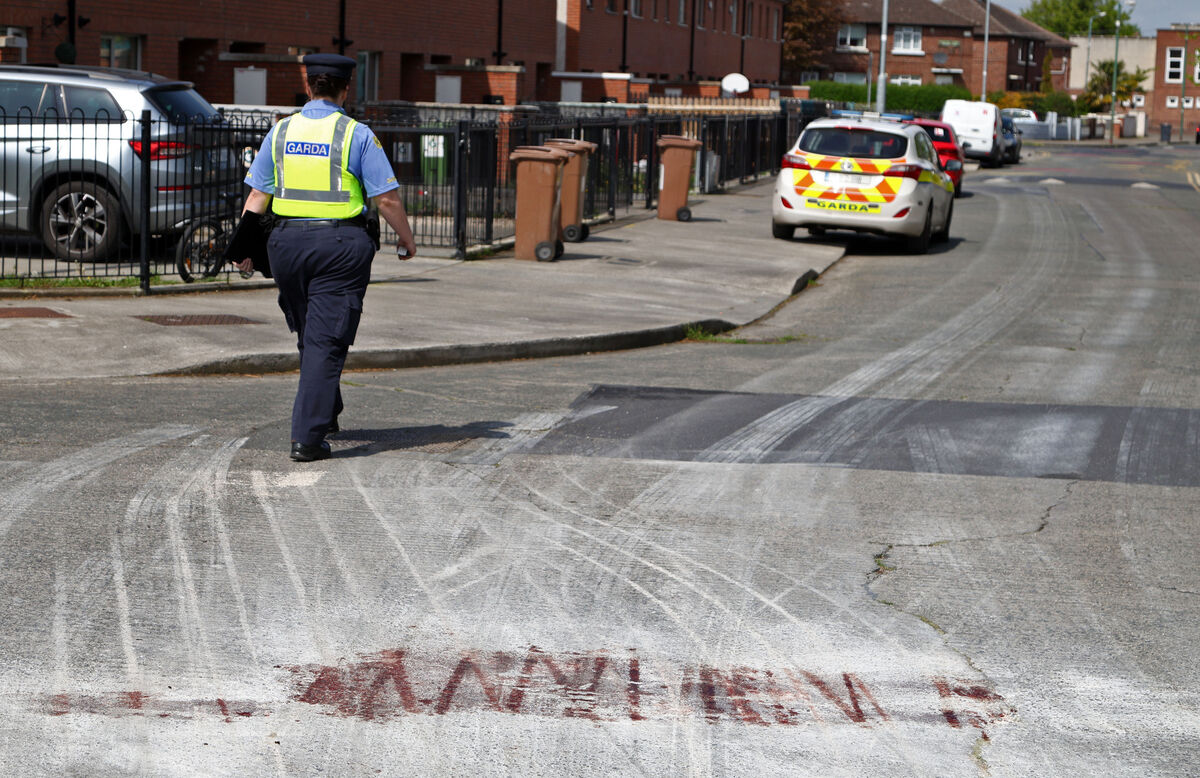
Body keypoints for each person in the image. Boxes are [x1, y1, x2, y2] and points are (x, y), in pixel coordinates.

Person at [238, 53, 417, 462]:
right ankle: (308, 437)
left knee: (312, 333)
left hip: (285, 246)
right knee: (326, 338)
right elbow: (386, 198)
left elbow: (256, 196)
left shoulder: (280, 132)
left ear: (308, 86)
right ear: (345, 89)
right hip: (338, 248)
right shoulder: (356, 134)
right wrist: (406, 240)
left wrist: (245, 248)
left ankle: (326, 410)